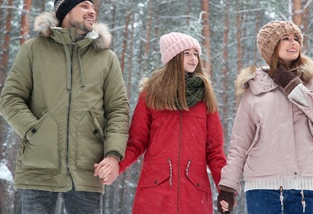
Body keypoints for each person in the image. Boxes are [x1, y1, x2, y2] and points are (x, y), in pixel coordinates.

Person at [0, 0, 129, 214]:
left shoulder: (106, 58)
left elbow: (118, 110)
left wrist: (113, 154)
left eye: (93, 7)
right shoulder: (33, 49)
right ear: (65, 12)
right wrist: (35, 131)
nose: (92, 11)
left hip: (88, 168)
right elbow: (10, 99)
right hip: (38, 166)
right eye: (84, 6)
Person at [217, 21, 313, 214]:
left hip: (305, 186)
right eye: (286, 38)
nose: (294, 43)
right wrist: (228, 186)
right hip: (262, 186)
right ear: (271, 46)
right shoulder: (254, 89)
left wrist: (294, 86)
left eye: (296, 38)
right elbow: (240, 144)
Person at [97, 32, 227, 213]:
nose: (193, 58)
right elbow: (136, 142)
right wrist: (116, 166)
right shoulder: (151, 94)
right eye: (186, 53)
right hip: (155, 191)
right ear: (173, 57)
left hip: (195, 194)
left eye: (195, 53)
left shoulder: (205, 97)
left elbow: (215, 151)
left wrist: (226, 188)